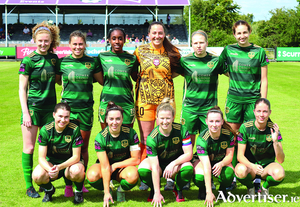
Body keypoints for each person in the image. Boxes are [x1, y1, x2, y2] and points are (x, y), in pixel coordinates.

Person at [219, 20, 269, 190]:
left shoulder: (259, 51)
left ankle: (254, 174)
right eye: (238, 33)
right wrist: (233, 75)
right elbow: (220, 67)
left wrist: (262, 103)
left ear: (249, 32)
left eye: (244, 32)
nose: (242, 36)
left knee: (250, 137)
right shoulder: (228, 50)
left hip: (252, 100)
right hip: (233, 99)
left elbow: (264, 79)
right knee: (232, 136)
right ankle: (232, 174)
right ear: (234, 34)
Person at [134, 21, 181, 190]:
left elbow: (178, 70)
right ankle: (146, 177)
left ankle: (170, 177)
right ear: (148, 34)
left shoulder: (172, 52)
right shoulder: (140, 51)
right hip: (144, 101)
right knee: (146, 140)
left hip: (166, 102)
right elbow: (134, 72)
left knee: (168, 138)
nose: (157, 36)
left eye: (160, 33)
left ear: (164, 34)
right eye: (154, 33)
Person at [57, 30, 102, 196]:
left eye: (80, 44)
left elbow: (101, 80)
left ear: (85, 45)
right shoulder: (62, 63)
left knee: (82, 147)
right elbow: (57, 80)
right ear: (69, 45)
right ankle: (68, 185)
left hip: (85, 110)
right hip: (67, 110)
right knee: (68, 147)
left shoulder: (92, 62)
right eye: (74, 44)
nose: (77, 47)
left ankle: (79, 183)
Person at [19, 21, 60, 198]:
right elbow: (22, 88)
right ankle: (29, 186)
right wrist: (26, 113)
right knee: (29, 148)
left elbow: (59, 81)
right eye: (40, 41)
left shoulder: (54, 59)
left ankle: (44, 182)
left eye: (46, 41)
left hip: (51, 110)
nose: (43, 44)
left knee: (48, 149)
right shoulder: (28, 60)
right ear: (34, 40)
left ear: (52, 41)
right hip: (33, 110)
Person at [177, 30, 228, 146]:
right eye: (195, 43)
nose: (198, 46)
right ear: (192, 45)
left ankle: (205, 162)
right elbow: (172, 74)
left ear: (207, 43)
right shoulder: (185, 60)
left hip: (209, 109)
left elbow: (231, 75)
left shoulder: (216, 60)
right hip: (189, 108)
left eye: (201, 42)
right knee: (188, 140)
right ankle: (189, 162)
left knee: (208, 140)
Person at [138, 98, 193, 204]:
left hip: (176, 163)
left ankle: (178, 188)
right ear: (157, 118)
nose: (165, 121)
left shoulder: (181, 130)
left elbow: (189, 154)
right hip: (159, 164)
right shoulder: (152, 138)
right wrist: (158, 193)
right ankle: (154, 189)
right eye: (162, 118)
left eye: (168, 118)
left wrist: (173, 164)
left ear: (173, 117)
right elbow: (154, 166)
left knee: (188, 168)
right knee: (143, 170)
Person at [86, 102, 140, 206]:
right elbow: (105, 166)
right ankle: (108, 190)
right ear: (106, 120)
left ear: (122, 119)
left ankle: (121, 190)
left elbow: (136, 159)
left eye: (118, 119)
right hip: (105, 168)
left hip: (123, 168)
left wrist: (115, 165)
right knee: (92, 176)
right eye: (111, 119)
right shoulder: (100, 137)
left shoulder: (131, 133)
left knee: (133, 175)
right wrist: (106, 192)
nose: (114, 122)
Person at [32, 103, 85, 204]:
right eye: (60, 116)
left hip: (71, 164)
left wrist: (59, 167)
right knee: (37, 175)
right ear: (54, 115)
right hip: (52, 163)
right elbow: (41, 158)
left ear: (69, 117)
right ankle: (49, 190)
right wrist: (50, 170)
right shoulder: (45, 130)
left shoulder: (75, 129)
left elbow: (76, 157)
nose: (63, 120)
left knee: (77, 171)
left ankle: (78, 192)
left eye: (66, 117)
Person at [235, 98, 285, 198]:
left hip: (266, 167)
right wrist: (252, 166)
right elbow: (239, 156)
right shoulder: (245, 127)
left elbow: (281, 159)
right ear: (254, 112)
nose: (261, 115)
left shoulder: (274, 129)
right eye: (258, 111)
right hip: (251, 167)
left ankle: (265, 187)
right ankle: (250, 187)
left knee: (279, 174)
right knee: (240, 171)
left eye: (265, 111)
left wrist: (275, 142)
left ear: (269, 112)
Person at [97, 27, 138, 130]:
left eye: (120, 38)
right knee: (107, 138)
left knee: (127, 139)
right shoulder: (102, 57)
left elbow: (135, 77)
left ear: (124, 40)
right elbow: (98, 77)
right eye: (114, 38)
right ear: (109, 40)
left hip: (126, 103)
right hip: (107, 102)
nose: (117, 41)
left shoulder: (132, 58)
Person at [193, 106, 236, 205]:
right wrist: (209, 192)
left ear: (222, 122)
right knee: (199, 176)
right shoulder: (202, 139)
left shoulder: (228, 135)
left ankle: (222, 189)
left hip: (220, 161)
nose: (214, 124)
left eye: (217, 121)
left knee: (229, 173)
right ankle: (203, 189)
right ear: (206, 121)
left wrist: (221, 164)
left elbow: (230, 156)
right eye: (211, 121)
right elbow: (206, 165)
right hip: (205, 162)